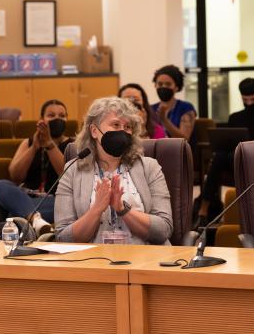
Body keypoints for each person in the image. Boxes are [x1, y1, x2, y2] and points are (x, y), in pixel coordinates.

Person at [54, 97, 172, 244]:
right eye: (116, 125)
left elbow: (163, 230)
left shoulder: (149, 167)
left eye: (127, 127)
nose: (122, 132)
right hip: (93, 261)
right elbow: (63, 237)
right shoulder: (72, 171)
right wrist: (97, 209)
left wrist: (122, 209)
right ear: (94, 131)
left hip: (143, 258)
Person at [194, 77, 254, 227]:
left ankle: (204, 209)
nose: (249, 103)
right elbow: (228, 141)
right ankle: (204, 209)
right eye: (245, 100)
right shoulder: (235, 117)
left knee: (220, 158)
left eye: (253, 99)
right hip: (234, 160)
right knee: (220, 155)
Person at [0, 99, 74, 233]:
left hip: (55, 200)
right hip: (27, 196)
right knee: (0, 185)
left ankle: (20, 218)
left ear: (67, 119)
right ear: (41, 119)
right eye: (51, 115)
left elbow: (67, 175)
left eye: (62, 116)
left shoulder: (72, 146)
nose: (57, 119)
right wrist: (34, 148)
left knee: (13, 212)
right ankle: (34, 219)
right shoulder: (28, 143)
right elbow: (15, 175)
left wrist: (49, 144)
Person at [151, 65, 196, 141]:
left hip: (179, 151)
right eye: (160, 84)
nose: (163, 87)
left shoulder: (186, 108)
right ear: (155, 85)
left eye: (168, 84)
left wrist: (164, 120)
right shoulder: (150, 109)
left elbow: (184, 139)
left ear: (176, 87)